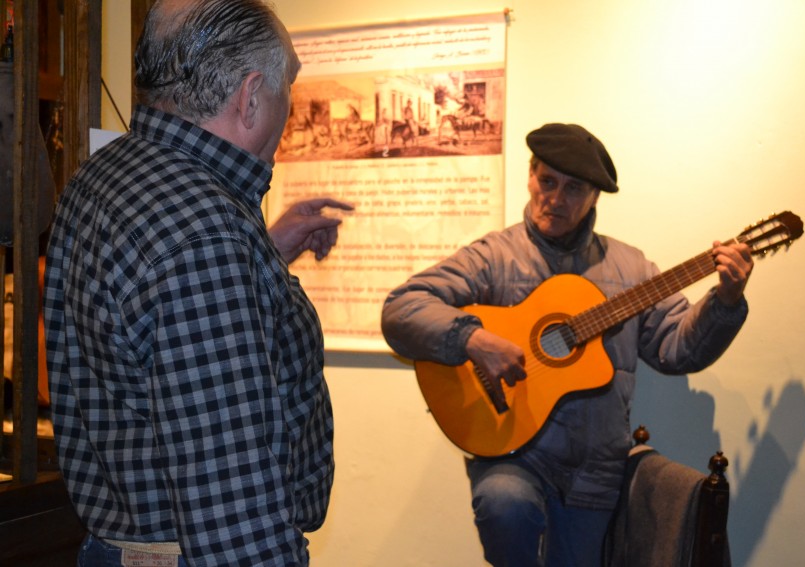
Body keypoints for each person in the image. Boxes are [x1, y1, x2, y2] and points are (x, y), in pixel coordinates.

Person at [43, 1, 352, 565]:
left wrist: (261, 256)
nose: (287, 107)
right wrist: (229, 258)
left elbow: (142, 314)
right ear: (251, 96)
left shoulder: (106, 175)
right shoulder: (204, 236)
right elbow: (234, 518)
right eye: (288, 87)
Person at [381, 123, 753, 567]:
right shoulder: (494, 257)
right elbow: (402, 308)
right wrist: (472, 339)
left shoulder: (632, 269)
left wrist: (725, 302)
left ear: (595, 197)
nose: (556, 199)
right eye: (547, 181)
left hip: (594, 470)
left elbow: (678, 350)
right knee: (504, 505)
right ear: (530, 176)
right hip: (512, 454)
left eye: (574, 188)